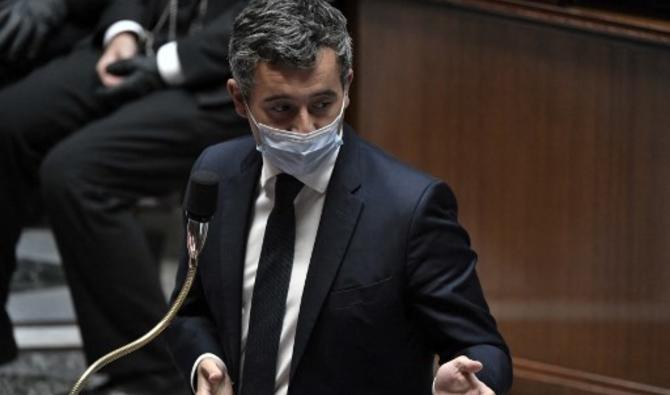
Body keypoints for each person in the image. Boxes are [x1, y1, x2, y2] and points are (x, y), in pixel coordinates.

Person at [166, 1, 513, 394]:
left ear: (347, 87)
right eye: (281, 109)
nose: (305, 127)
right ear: (239, 99)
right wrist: (203, 361)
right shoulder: (217, 174)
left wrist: (471, 385)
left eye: (322, 104)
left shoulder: (410, 208)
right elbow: (188, 310)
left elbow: (481, 345)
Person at [0, 0, 248, 393]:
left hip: (222, 76)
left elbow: (273, 16)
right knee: (9, 121)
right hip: (142, 42)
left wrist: (168, 64)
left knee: (76, 173)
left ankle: (150, 376)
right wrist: (123, 30)